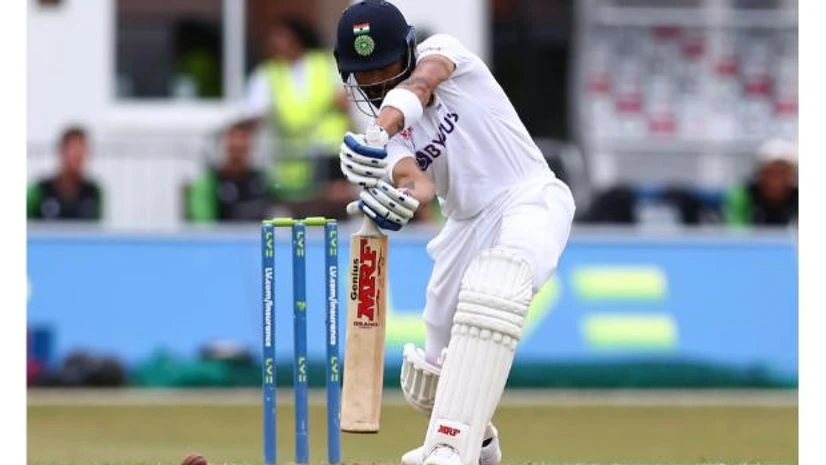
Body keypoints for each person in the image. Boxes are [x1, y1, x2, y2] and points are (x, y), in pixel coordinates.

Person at [333, 2, 576, 465]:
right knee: (432, 379)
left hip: (528, 195)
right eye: (363, 76)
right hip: (464, 226)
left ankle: (448, 448)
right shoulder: (381, 137)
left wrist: (382, 128)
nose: (376, 83)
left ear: (407, 49)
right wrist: (401, 200)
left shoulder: (444, 54)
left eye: (384, 67)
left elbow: (421, 85)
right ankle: (478, 449)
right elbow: (416, 181)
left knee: (497, 284)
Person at [244, 17, 352, 201]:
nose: (275, 44)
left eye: (281, 37)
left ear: (296, 39)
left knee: (334, 210)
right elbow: (254, 112)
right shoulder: (267, 73)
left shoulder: (325, 63)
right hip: (291, 161)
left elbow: (346, 99)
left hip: (330, 153)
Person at [185, 118, 273, 223]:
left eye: (242, 150)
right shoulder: (208, 184)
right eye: (233, 150)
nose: (237, 157)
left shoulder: (264, 181)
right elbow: (202, 226)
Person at [28, 126, 103, 221]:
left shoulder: (93, 192)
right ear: (61, 151)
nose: (78, 155)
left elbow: (98, 229)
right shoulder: (39, 190)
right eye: (73, 149)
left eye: (82, 150)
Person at [724, 138, 798, 227]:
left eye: (783, 173)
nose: (776, 179)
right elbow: (735, 232)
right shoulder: (743, 195)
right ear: (760, 174)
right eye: (771, 172)